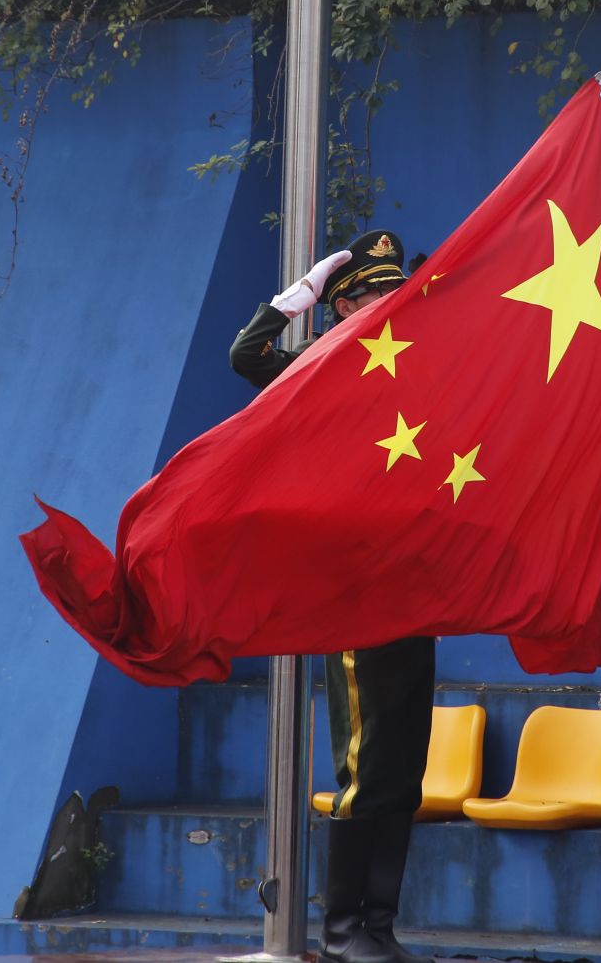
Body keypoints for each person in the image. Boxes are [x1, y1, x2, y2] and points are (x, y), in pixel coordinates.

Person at [230, 231, 434, 963]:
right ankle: (344, 929)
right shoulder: (322, 363)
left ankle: (379, 923)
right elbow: (247, 355)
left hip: (412, 589)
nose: (391, 301)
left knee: (405, 766)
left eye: (396, 289)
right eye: (377, 292)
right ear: (346, 304)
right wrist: (298, 298)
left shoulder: (416, 367)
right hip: (356, 590)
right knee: (366, 762)